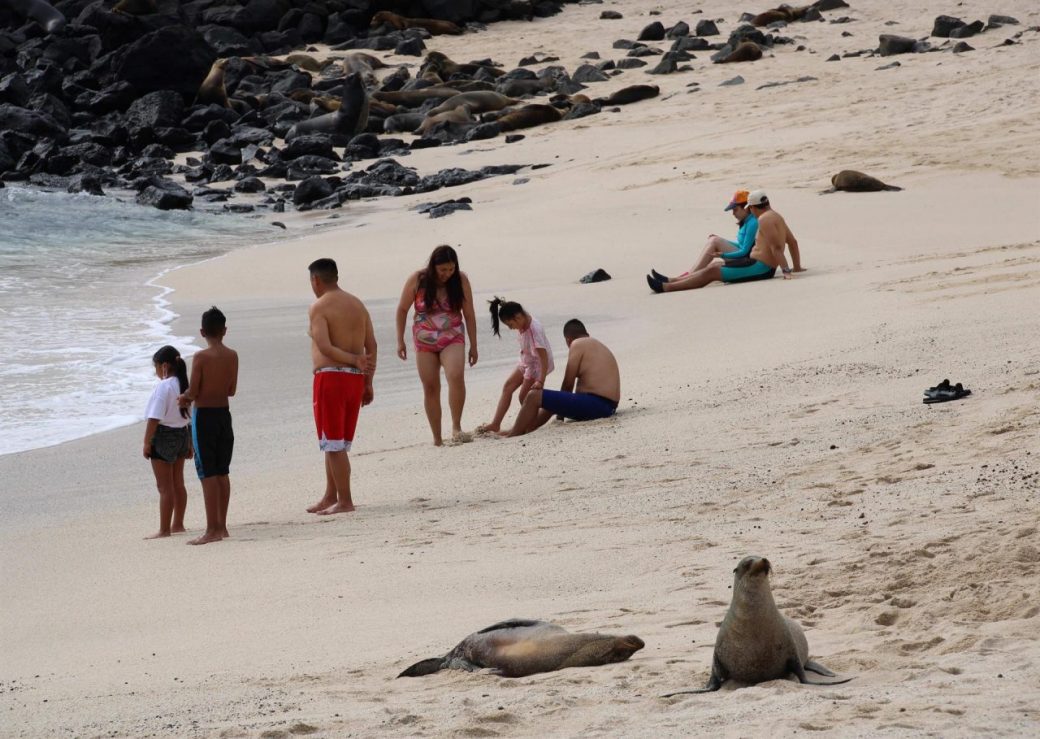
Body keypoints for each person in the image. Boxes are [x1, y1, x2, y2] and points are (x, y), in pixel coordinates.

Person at [306, 258, 376, 515]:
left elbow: (325, 347)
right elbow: (372, 346)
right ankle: (330, 495)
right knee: (334, 442)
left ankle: (345, 500)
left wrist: (353, 360)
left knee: (334, 444)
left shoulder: (318, 306)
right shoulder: (358, 305)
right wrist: (367, 380)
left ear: (316, 280)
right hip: (354, 380)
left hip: (331, 378)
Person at [395, 245, 478, 446]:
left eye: (450, 269)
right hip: (424, 340)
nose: (447, 274)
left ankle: (456, 427)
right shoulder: (417, 279)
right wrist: (400, 340)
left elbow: (469, 314)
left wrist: (473, 345)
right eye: (443, 270)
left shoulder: (461, 279)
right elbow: (402, 309)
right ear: (433, 266)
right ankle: (437, 438)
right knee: (430, 387)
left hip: (453, 335)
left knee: (456, 375)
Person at [646, 190, 803, 292]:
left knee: (712, 271)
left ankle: (667, 287)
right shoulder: (776, 216)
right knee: (715, 266)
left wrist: (786, 272)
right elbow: (792, 242)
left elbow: (776, 247)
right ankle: (672, 281)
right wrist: (797, 267)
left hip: (761, 268)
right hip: (755, 264)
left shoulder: (764, 219)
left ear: (753, 208)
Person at [177, 306, 238, 546]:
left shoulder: (201, 357)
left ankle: (212, 528)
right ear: (225, 330)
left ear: (202, 332)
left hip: (204, 418)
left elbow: (194, 390)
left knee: (208, 473)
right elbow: (231, 390)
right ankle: (221, 526)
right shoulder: (232, 355)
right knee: (222, 471)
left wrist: (184, 398)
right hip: (224, 415)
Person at [505, 319, 620, 437]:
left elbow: (568, 384)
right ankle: (527, 428)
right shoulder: (598, 345)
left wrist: (560, 416)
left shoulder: (577, 344)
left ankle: (513, 434)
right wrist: (559, 407)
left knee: (533, 396)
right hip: (609, 407)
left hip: (595, 405)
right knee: (553, 401)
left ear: (568, 340)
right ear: (586, 334)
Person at [648, 189, 759, 284]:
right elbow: (741, 245)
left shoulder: (752, 223)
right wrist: (722, 241)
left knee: (715, 241)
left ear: (746, 208)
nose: (733, 213)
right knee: (714, 240)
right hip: (741, 255)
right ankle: (681, 278)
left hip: (745, 260)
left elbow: (745, 251)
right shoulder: (746, 221)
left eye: (735, 210)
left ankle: (679, 279)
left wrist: (723, 253)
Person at [479, 297, 554, 435]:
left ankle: (529, 425)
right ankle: (496, 424)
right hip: (527, 360)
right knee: (508, 386)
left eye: (510, 325)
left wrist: (540, 380)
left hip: (537, 366)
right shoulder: (522, 320)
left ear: (518, 317)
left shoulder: (533, 330)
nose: (511, 328)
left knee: (524, 397)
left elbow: (543, 357)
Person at [142, 345, 191, 539]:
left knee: (164, 487)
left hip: (163, 436)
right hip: (182, 435)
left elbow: (154, 417)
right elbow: (189, 416)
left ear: (163, 366)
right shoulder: (184, 384)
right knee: (178, 483)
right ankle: (178, 524)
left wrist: (147, 442)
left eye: (155, 368)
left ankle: (164, 530)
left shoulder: (164, 386)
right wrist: (190, 443)